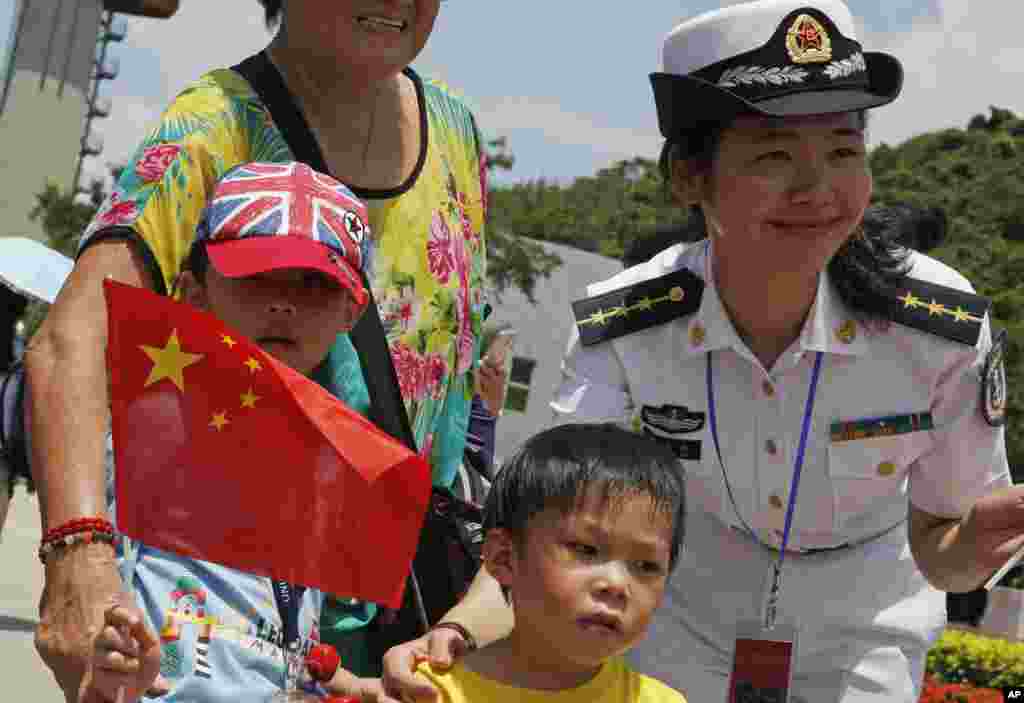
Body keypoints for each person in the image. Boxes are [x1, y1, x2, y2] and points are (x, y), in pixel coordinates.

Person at [381, 2, 1021, 701]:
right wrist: (460, 629)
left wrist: (972, 549)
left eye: (843, 150)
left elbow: (944, 548)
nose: (817, 189)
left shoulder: (937, 329)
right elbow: (546, 520)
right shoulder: (625, 328)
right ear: (690, 176)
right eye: (776, 156)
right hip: (676, 643)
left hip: (859, 648)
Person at [25, 0, 489, 697]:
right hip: (215, 628)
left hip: (401, 636)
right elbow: (72, 339)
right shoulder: (215, 125)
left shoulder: (459, 131)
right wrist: (80, 560)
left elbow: (464, 379)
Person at [80, 161, 383, 703]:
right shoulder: (144, 430)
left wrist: (349, 686)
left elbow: (275, 640)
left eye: (314, 283)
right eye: (258, 273)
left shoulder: (327, 462)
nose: (283, 302)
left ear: (350, 312)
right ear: (194, 292)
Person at [416, 423, 687, 703]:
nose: (617, 585)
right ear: (504, 557)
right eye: (586, 549)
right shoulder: (427, 693)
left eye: (646, 566)